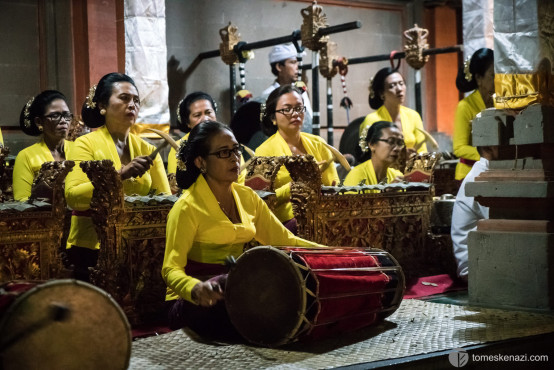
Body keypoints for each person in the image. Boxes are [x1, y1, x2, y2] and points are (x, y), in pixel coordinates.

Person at [162, 120, 322, 337]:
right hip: (193, 301)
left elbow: (285, 241)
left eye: (236, 150)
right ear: (201, 162)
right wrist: (195, 289)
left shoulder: (247, 197)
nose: (234, 158)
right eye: (223, 153)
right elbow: (171, 269)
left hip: (235, 290)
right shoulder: (186, 207)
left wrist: (329, 252)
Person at [65, 72, 170, 280]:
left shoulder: (146, 148)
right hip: (91, 248)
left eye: (136, 100)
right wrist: (119, 175)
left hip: (138, 246)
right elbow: (73, 197)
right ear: (103, 106)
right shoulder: (85, 144)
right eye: (124, 98)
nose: (132, 105)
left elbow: (165, 201)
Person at [255, 85, 339, 228]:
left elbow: (334, 186)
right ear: (273, 117)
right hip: (285, 222)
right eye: (287, 109)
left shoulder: (318, 143)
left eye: (299, 108)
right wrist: (295, 186)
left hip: (323, 214)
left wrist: (325, 187)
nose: (295, 113)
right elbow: (259, 199)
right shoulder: (264, 151)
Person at [13, 90, 74, 201]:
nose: (63, 121)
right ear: (39, 122)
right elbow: (21, 200)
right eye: (55, 115)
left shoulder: (79, 149)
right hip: (43, 217)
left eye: (66, 115)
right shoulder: (26, 156)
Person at [451, 145, 497, 281]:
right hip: (473, 269)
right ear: (488, 148)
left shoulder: (488, 171)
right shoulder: (480, 178)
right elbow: (505, 223)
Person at [358, 67, 427, 158]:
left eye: (401, 84)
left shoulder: (413, 116)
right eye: (392, 86)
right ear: (382, 93)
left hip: (412, 169)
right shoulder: (372, 120)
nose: (399, 89)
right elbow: (367, 154)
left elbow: (423, 151)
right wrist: (400, 155)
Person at [453, 48, 494, 181]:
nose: (498, 80)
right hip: (469, 175)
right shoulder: (465, 106)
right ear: (478, 78)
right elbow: (459, 148)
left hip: (494, 171)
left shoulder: (501, 103)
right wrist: (488, 155)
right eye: (493, 75)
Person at [258, 43, 313, 134]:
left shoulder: (301, 92)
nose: (298, 67)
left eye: (298, 62)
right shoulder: (266, 96)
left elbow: (309, 122)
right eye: (293, 62)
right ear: (279, 67)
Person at [167, 92, 217, 175]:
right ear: (188, 123)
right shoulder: (179, 148)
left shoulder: (228, 140)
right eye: (197, 115)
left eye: (208, 112)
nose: (205, 118)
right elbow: (175, 183)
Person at [344, 121, 404, 188]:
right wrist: (386, 194)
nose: (397, 148)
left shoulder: (396, 176)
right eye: (391, 141)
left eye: (400, 143)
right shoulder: (357, 175)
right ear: (372, 144)